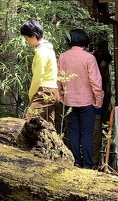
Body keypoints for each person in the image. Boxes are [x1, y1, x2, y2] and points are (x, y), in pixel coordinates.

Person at [57, 29, 103, 168]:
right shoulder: (89, 58)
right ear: (84, 41)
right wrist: (98, 100)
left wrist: (61, 96)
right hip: (87, 102)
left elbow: (58, 79)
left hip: (69, 101)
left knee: (74, 133)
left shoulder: (63, 57)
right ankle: (88, 165)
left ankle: (76, 162)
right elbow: (95, 81)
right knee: (87, 135)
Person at [20, 19, 59, 124]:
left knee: (27, 123)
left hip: (44, 91)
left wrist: (31, 94)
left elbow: (38, 77)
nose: (26, 40)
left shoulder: (41, 52)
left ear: (33, 35)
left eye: (26, 37)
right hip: (53, 90)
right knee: (47, 126)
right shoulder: (48, 49)